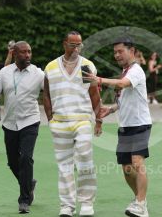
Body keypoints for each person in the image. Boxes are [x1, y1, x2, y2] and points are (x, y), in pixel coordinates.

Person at [84, 36, 152, 217]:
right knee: (127, 169)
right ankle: (139, 198)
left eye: (120, 51)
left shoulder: (136, 70)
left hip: (140, 125)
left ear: (132, 51)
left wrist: (99, 80)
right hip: (125, 127)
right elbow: (126, 97)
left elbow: (122, 84)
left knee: (137, 162)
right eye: (114, 52)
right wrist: (111, 109)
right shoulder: (125, 71)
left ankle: (140, 203)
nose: (117, 55)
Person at [43, 31, 102, 217]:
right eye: (73, 45)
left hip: (82, 120)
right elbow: (46, 95)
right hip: (59, 122)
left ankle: (86, 203)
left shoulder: (86, 66)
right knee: (64, 166)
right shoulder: (51, 67)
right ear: (64, 44)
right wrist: (50, 119)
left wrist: (98, 119)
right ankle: (67, 206)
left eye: (79, 45)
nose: (76, 48)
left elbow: (94, 94)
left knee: (85, 158)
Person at [0, 41, 44, 213]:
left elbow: (52, 89)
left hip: (30, 121)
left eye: (29, 52)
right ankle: (29, 183)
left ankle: (24, 200)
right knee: (12, 162)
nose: (27, 55)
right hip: (10, 123)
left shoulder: (38, 74)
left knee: (26, 158)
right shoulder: (4, 72)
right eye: (23, 52)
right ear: (15, 54)